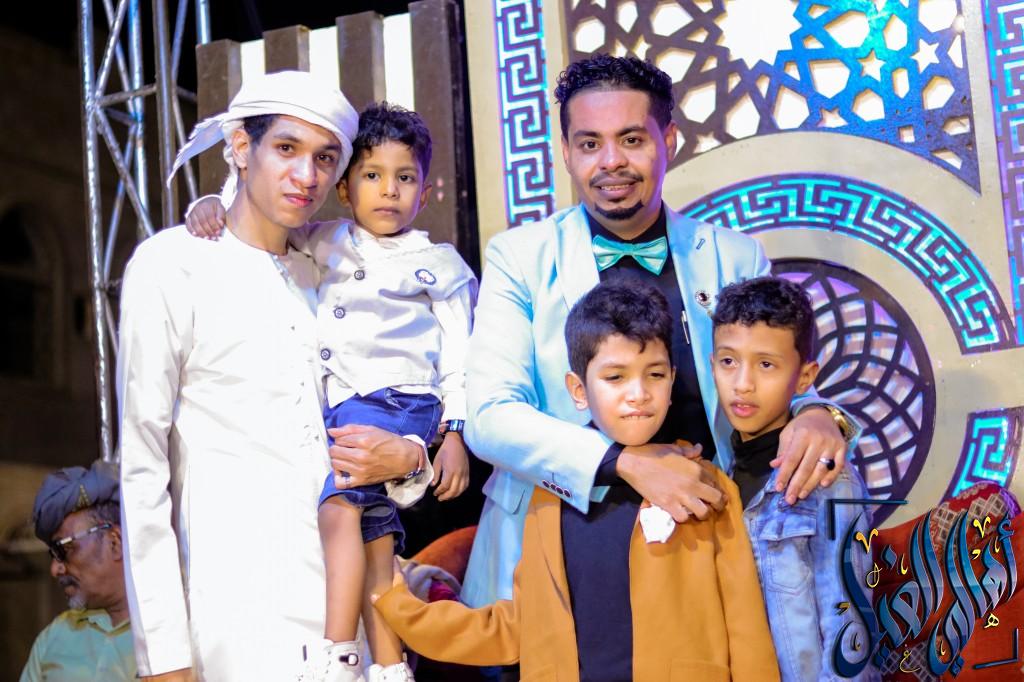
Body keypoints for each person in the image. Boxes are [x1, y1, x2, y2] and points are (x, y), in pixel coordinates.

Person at [460, 54, 860, 608]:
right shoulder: (520, 257)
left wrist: (816, 412)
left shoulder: (733, 256)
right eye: (589, 143)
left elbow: (768, 371)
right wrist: (624, 462)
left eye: (631, 140)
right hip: (555, 549)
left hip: (701, 549)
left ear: (667, 140)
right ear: (567, 152)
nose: (611, 162)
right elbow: (489, 417)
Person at [117, 70, 432, 682]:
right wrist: (164, 654)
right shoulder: (171, 265)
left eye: (326, 158)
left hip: (350, 610)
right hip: (235, 613)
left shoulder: (340, 270)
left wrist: (410, 459)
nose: (306, 175)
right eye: (286, 149)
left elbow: (404, 396)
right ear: (240, 146)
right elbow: (142, 466)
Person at [185, 103, 476, 682]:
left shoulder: (441, 265)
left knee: (338, 510)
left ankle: (338, 654)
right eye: (372, 175)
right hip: (347, 408)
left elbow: (461, 361)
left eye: (405, 177)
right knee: (374, 538)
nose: (389, 190)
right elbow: (255, 224)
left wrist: (455, 435)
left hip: (404, 402)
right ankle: (389, 666)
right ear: (344, 188)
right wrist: (213, 202)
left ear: (426, 191)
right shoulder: (325, 241)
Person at [370, 280, 781, 681]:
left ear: (672, 381)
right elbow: (520, 627)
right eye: (615, 377)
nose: (638, 393)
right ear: (578, 390)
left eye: (654, 375)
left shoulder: (705, 486)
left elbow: (746, 629)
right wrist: (401, 607)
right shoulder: (549, 502)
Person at [710, 276, 877, 681]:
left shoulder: (828, 480)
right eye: (728, 362)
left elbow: (849, 630)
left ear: (805, 377)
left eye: (766, 364)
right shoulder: (716, 476)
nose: (742, 384)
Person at [21, 461, 135, 682]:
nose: (55, 569)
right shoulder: (54, 638)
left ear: (115, 543)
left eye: (63, 549)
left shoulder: (173, 632)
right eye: (52, 555)